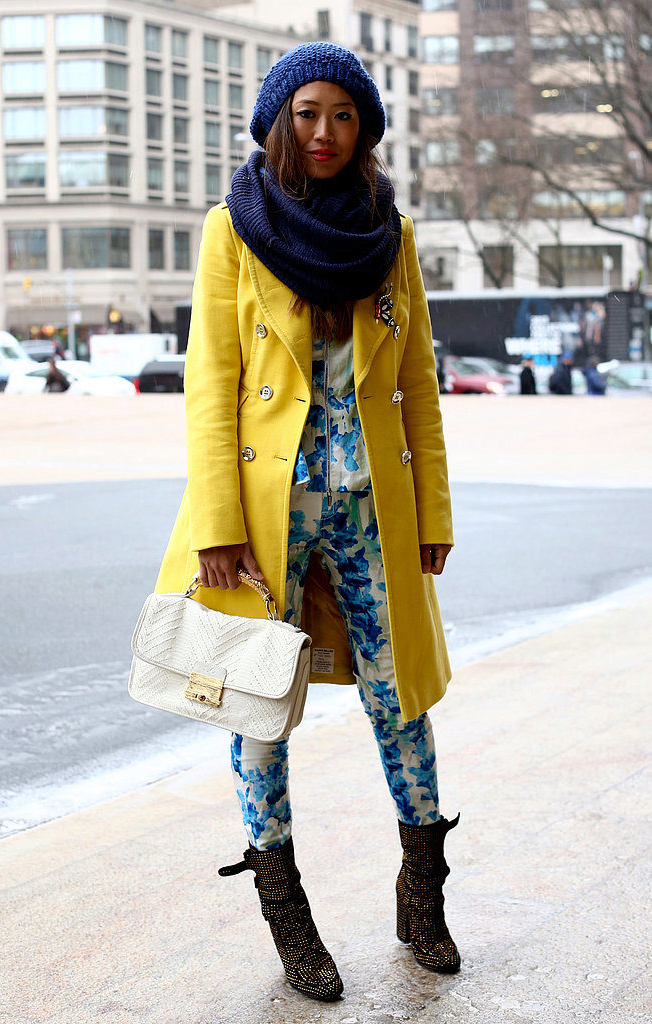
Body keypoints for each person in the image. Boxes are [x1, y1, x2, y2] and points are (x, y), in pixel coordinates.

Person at [155, 42, 458, 1001]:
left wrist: (433, 510)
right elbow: (211, 383)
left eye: (343, 114)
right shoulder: (232, 229)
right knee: (257, 707)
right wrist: (216, 524)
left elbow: (418, 384)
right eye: (307, 112)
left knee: (399, 701)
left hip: (374, 510)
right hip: (260, 519)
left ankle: (422, 893)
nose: (324, 131)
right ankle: (287, 912)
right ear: (278, 120)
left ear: (364, 128)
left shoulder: (389, 234)